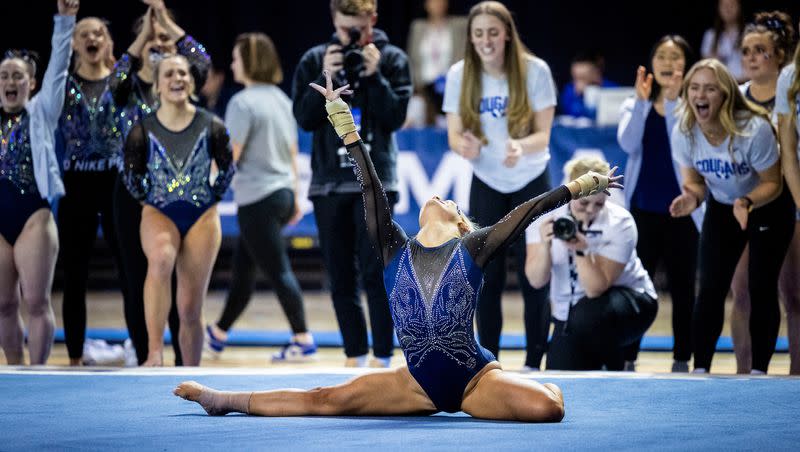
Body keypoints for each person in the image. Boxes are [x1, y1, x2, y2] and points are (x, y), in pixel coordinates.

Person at [173, 70, 620, 422]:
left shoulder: (473, 249)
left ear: (461, 223)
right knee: (325, 399)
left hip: (474, 382)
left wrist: (579, 186)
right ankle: (223, 399)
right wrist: (345, 124)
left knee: (551, 408)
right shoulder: (394, 250)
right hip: (415, 383)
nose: (438, 198)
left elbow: (525, 211)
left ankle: (533, 384)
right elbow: (370, 189)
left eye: (448, 201)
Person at [291, 0, 412, 368]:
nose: (351, 38)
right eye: (345, 30)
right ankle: (354, 356)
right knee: (340, 277)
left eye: (357, 29)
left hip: (376, 180)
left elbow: (396, 118)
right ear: (333, 21)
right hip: (329, 183)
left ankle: (382, 357)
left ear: (372, 20)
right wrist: (325, 79)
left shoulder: (391, 59)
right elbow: (304, 120)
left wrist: (375, 76)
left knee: (378, 273)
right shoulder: (315, 59)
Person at [442, 1, 556, 370]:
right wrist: (466, 146)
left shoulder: (534, 70)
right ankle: (488, 361)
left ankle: (533, 360)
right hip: (487, 181)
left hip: (530, 179)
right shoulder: (461, 74)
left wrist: (520, 146)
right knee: (485, 273)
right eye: (478, 34)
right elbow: (454, 137)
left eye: (493, 32)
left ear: (506, 33)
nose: (486, 40)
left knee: (533, 270)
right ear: (470, 38)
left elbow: (543, 136)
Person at [669, 58, 794, 374]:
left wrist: (747, 201)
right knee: (710, 287)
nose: (701, 95)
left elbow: (773, 182)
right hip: (724, 207)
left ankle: (759, 371)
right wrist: (691, 198)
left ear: (725, 94)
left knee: (760, 286)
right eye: (695, 88)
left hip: (767, 204)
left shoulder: (753, 129)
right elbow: (696, 181)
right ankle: (701, 368)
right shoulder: (684, 129)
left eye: (710, 88)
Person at [204, 32, 317, 362]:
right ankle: (219, 333)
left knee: (278, 270)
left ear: (250, 62)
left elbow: (229, 156)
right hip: (281, 194)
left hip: (258, 199)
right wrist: (295, 196)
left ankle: (303, 338)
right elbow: (292, 152)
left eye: (237, 58)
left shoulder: (242, 102)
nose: (232, 64)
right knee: (244, 270)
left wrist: (203, 185)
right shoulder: (282, 100)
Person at [112, 0, 211, 366]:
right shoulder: (130, 89)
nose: (160, 48)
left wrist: (165, 21)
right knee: (137, 275)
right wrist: (144, 37)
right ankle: (147, 357)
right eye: (151, 43)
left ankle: (184, 360)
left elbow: (202, 61)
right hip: (135, 193)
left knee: (179, 281)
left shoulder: (182, 80)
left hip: (182, 194)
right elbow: (116, 77)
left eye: (166, 43)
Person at [122, 54, 234, 366]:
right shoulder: (142, 129)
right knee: (160, 257)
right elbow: (130, 172)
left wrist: (212, 197)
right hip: (159, 209)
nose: (178, 79)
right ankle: (154, 353)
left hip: (201, 214)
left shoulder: (211, 124)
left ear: (192, 81)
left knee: (189, 307)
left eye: (183, 73)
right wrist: (148, 197)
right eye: (169, 74)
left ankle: (191, 369)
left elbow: (227, 168)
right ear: (157, 85)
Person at [524, 156, 658, 371]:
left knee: (588, 315)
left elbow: (596, 289)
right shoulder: (544, 218)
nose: (590, 210)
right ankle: (601, 360)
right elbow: (536, 280)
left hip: (631, 302)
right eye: (584, 202)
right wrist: (544, 246)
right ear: (568, 192)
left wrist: (581, 250)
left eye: (599, 204)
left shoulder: (620, 221)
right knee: (560, 371)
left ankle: (619, 368)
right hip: (571, 314)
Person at [0, 0, 77, 365]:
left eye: (18, 76)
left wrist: (65, 22)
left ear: (31, 83)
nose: (10, 82)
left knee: (35, 300)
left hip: (34, 216)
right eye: (4, 76)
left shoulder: (42, 112)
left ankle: (39, 371)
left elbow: (59, 69)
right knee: (3, 303)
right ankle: (14, 372)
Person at [616, 35, 697, 373]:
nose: (667, 62)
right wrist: (639, 102)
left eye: (675, 56)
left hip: (683, 211)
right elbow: (627, 142)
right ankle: (628, 357)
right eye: (661, 55)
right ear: (651, 64)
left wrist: (677, 102)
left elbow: (688, 146)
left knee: (682, 288)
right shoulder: (637, 103)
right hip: (644, 210)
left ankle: (682, 359)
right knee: (639, 287)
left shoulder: (694, 106)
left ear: (686, 65)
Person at [56, 12, 125, 366]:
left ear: (107, 42)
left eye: (100, 32)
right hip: (75, 187)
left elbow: (141, 58)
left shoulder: (121, 80)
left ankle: (143, 353)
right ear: (74, 43)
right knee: (75, 274)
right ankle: (74, 357)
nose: (93, 37)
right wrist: (65, 22)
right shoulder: (62, 84)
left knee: (130, 269)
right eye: (85, 33)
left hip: (115, 185)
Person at [729, 11, 796, 374]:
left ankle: (796, 373)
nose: (752, 57)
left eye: (761, 50)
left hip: (789, 200)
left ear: (780, 56)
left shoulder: (793, 98)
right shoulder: (734, 98)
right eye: (746, 51)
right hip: (747, 202)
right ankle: (744, 373)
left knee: (792, 294)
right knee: (743, 291)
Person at [774, 31, 800, 375]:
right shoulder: (790, 77)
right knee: (794, 294)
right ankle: (796, 374)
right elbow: (788, 152)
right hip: (796, 195)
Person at [405, 0, 467, 127]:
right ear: (426, 4)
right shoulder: (418, 27)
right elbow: (411, 60)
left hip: (452, 88)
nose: (437, 3)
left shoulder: (459, 25)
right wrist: (418, 89)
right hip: (423, 90)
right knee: (413, 111)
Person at [559, 50, 618, 120]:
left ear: (597, 74)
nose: (578, 83)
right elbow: (570, 112)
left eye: (583, 78)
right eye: (575, 78)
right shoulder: (570, 90)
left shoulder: (612, 90)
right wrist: (580, 96)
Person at [701, 0, 744, 81]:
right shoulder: (710, 35)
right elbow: (705, 64)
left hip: (745, 83)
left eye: (732, 4)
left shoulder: (749, 32)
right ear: (718, 8)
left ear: (739, 7)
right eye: (724, 5)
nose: (728, 9)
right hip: (721, 84)